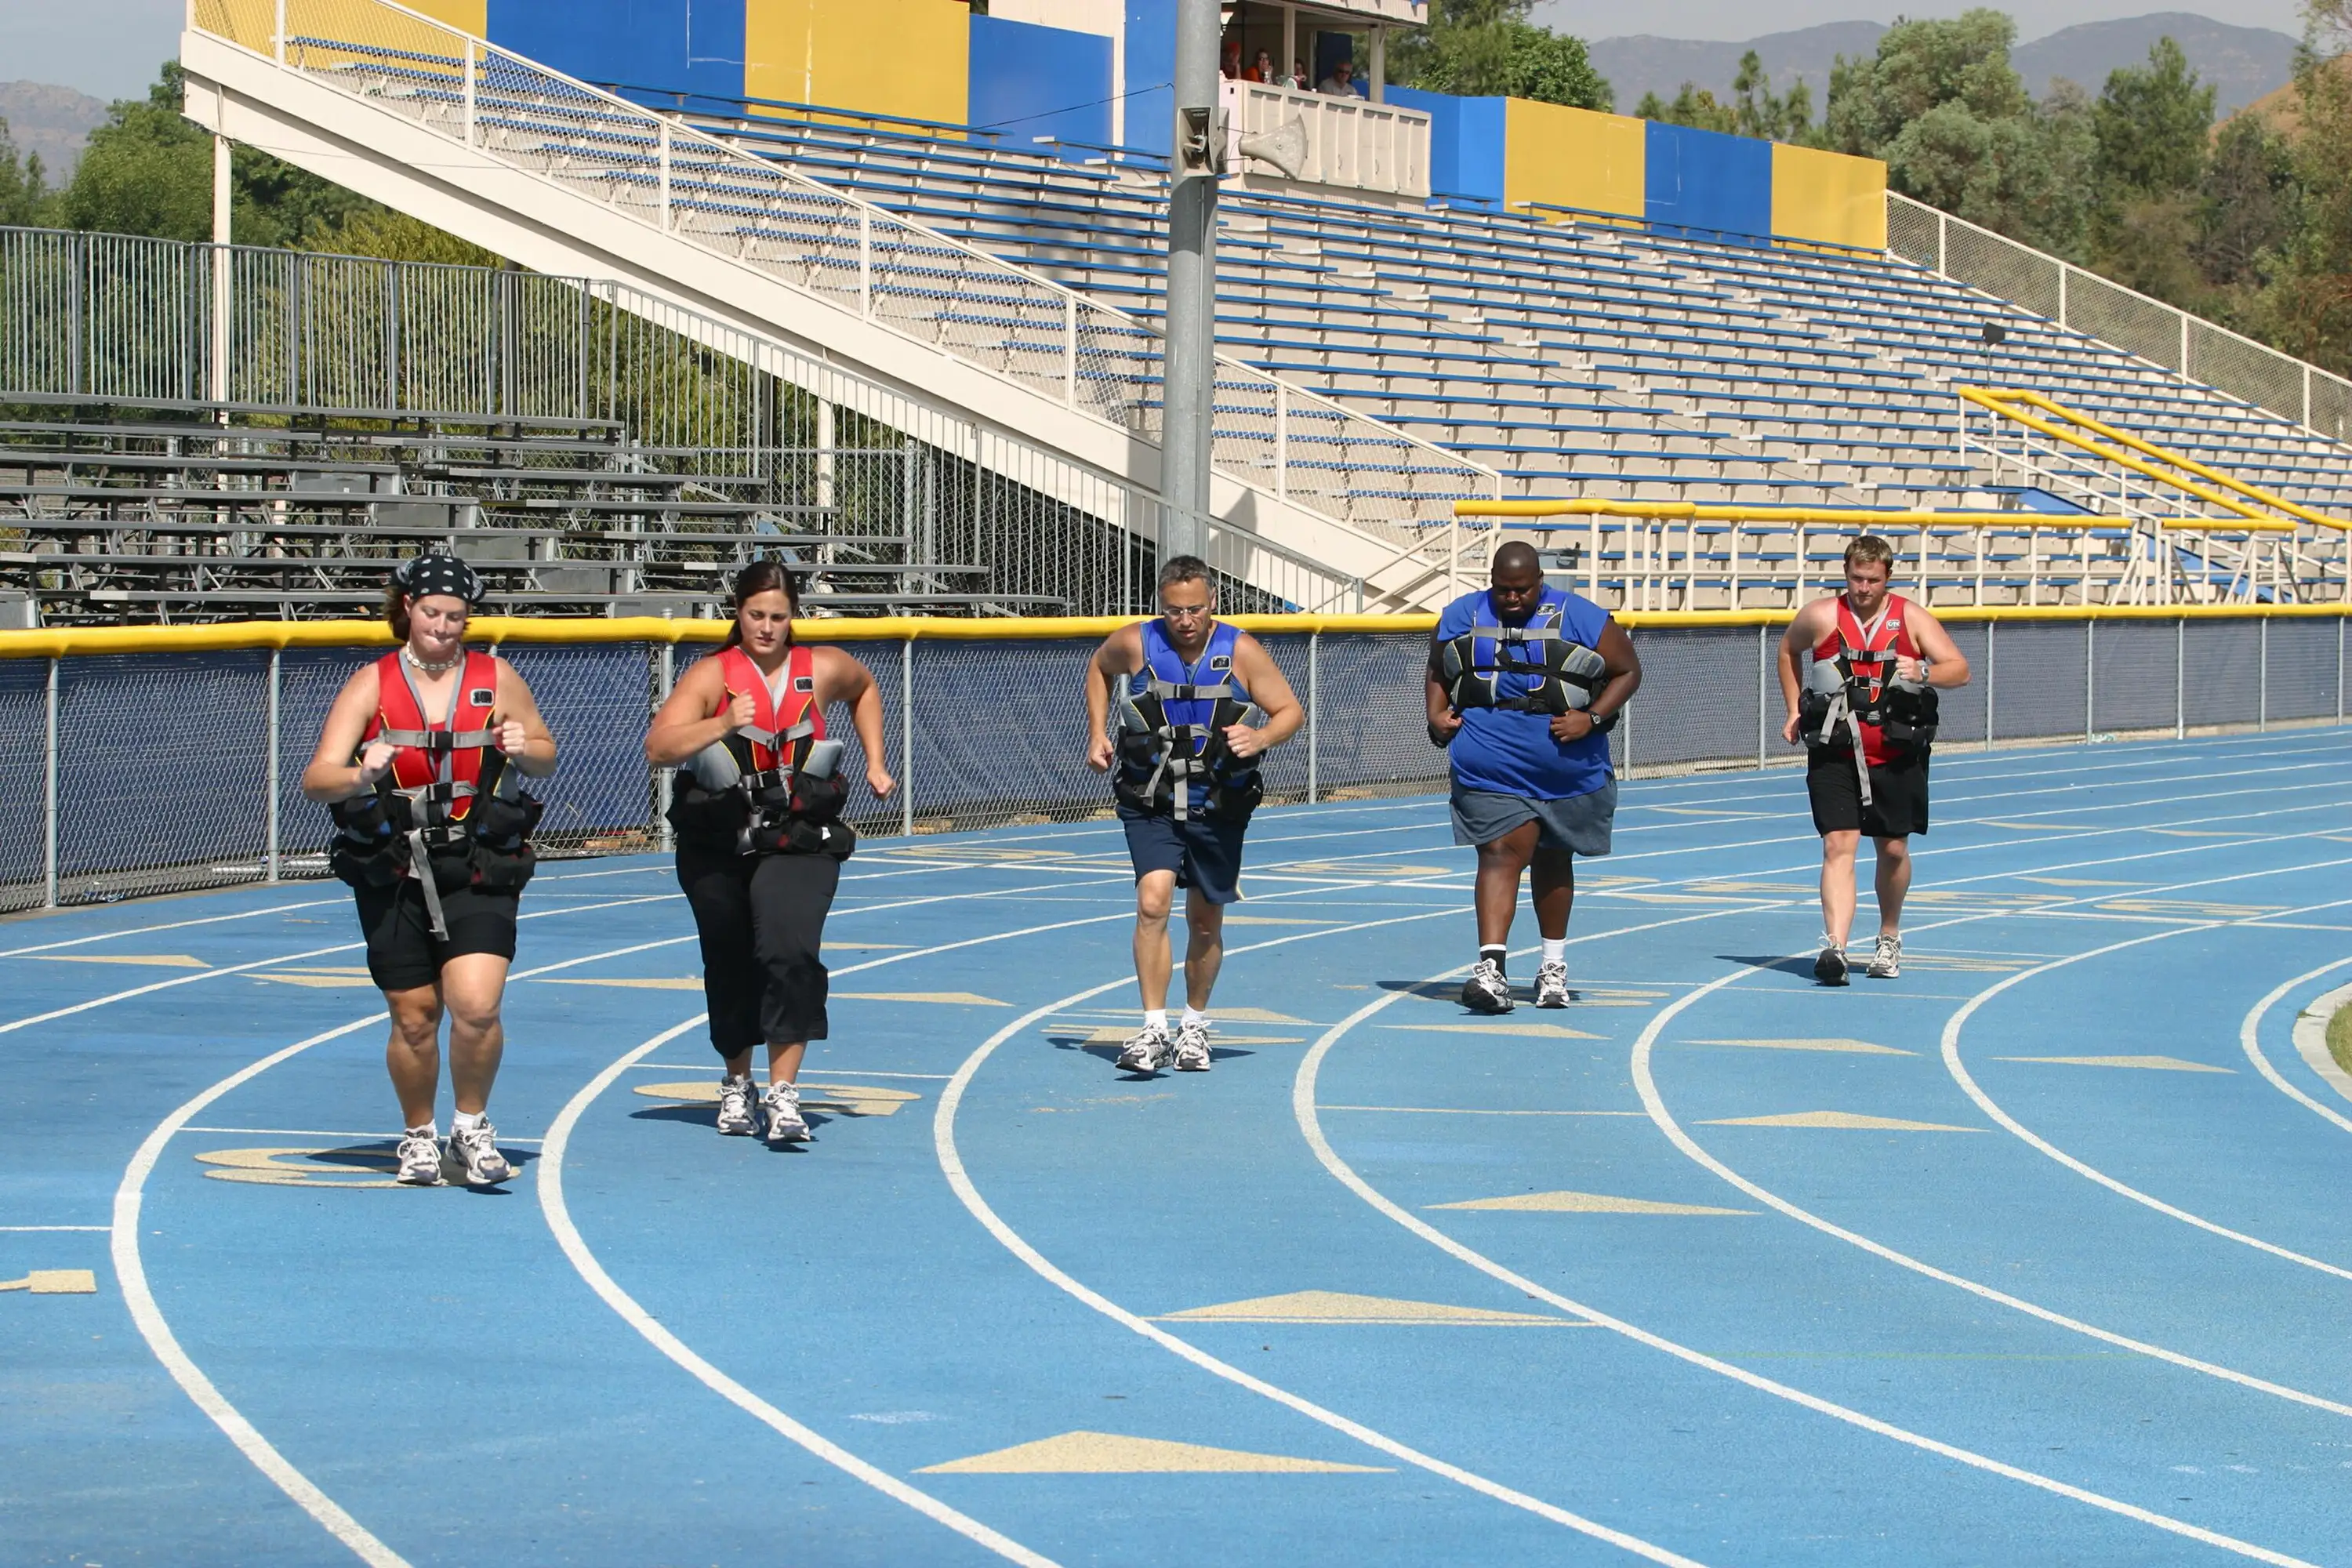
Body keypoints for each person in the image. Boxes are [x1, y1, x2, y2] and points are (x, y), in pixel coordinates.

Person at [301, 552, 557, 1186]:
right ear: (409, 609)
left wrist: (525, 749)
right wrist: (360, 774)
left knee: (477, 1005)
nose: (443, 627)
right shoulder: (371, 683)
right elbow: (317, 779)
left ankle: (471, 1127)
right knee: (414, 1015)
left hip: (478, 861)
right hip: (394, 865)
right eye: (432, 613)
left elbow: (546, 756)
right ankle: (419, 1135)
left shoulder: (497, 677)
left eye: (456, 617)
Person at [645, 561, 894, 1144]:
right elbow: (659, 747)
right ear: (738, 613)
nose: (766, 627)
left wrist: (877, 761)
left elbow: (865, 689)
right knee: (729, 959)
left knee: (790, 950)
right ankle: (738, 1081)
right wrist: (722, 723)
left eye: (778, 617)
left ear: (792, 618)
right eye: (756, 615)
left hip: (796, 836)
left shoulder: (822, 667)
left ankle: (784, 1092)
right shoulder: (713, 676)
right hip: (720, 841)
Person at [1084, 556, 1303, 1073]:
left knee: (1204, 922)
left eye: (1195, 610)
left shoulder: (1242, 650)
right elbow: (1098, 667)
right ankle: (1153, 1028)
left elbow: (1291, 711)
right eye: (1174, 611)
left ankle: (1193, 1024)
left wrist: (1261, 737)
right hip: (1151, 797)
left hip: (1218, 800)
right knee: (1152, 902)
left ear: (1213, 604)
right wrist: (1097, 733)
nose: (1185, 621)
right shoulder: (1136, 643)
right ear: (1161, 606)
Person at [1426, 540, 1639, 1014]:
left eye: (1522, 590)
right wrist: (1435, 714)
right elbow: (1439, 667)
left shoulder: (1582, 616)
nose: (1512, 598)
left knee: (1553, 859)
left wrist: (1593, 718)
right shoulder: (1461, 614)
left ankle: (1552, 967)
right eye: (1503, 589)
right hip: (1489, 763)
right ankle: (1491, 970)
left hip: (1567, 769)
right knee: (1499, 853)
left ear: (1540, 582)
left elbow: (1628, 671)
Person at [1778, 535, 1969, 984]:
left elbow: (1959, 670)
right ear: (1846, 575)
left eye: (1872, 580)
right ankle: (1836, 948)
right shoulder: (1821, 615)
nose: (1863, 588)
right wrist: (1793, 708)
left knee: (1893, 848)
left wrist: (1924, 671)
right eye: (1856, 578)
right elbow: (1787, 650)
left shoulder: (1912, 618)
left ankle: (1889, 935)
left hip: (1895, 752)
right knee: (1837, 843)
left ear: (1887, 578)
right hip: (1835, 750)